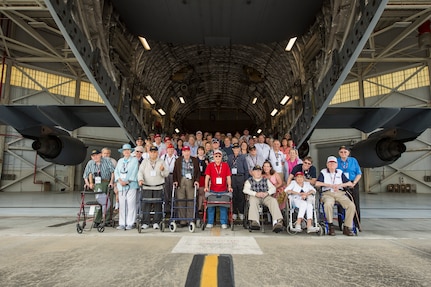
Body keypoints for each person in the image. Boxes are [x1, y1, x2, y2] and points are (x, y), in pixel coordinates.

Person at [315, 156, 355, 236]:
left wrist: (340, 184)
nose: (332, 164)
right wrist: (329, 185)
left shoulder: (339, 172)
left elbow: (350, 183)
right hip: (328, 193)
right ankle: (330, 225)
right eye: (330, 163)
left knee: (351, 205)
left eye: (334, 163)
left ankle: (347, 227)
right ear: (327, 164)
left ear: (336, 164)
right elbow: (317, 183)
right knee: (328, 204)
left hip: (339, 193)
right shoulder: (323, 172)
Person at [243, 165, 284, 233]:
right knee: (252, 200)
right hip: (255, 197)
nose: (258, 172)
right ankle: (255, 221)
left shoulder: (266, 180)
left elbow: (273, 188)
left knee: (273, 200)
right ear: (253, 172)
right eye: (256, 171)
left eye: (259, 171)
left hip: (265, 197)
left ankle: (276, 222)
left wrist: (267, 193)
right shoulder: (249, 181)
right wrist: (255, 194)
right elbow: (245, 190)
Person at [138, 146, 169, 229]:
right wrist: (140, 180)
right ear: (149, 153)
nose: (153, 153)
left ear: (157, 153)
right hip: (147, 186)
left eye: (155, 152)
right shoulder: (145, 161)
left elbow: (166, 174)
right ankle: (145, 222)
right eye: (151, 152)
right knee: (146, 204)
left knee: (157, 204)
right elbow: (140, 172)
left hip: (158, 186)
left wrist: (162, 170)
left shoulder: (161, 161)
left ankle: (156, 222)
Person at [83, 149, 115, 226]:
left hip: (106, 182)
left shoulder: (107, 160)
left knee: (108, 201)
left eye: (97, 155)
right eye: (93, 156)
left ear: (100, 155)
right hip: (97, 183)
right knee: (99, 202)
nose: (95, 157)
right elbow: (85, 175)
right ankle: (97, 220)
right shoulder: (90, 163)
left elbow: (112, 172)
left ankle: (107, 220)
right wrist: (88, 183)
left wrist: (111, 182)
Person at [204, 149, 233, 229]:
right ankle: (210, 222)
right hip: (213, 189)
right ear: (213, 157)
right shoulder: (210, 165)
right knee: (210, 206)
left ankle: (223, 222)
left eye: (219, 156)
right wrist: (206, 187)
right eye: (216, 156)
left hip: (223, 189)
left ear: (221, 157)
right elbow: (207, 177)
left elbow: (228, 177)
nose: (217, 157)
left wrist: (229, 186)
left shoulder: (225, 165)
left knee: (223, 206)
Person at [114, 144, 140, 230]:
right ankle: (122, 223)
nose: (126, 152)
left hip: (131, 185)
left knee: (131, 204)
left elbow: (134, 171)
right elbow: (116, 172)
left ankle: (130, 222)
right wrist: (119, 180)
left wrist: (127, 181)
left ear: (131, 151)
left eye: (128, 150)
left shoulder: (134, 160)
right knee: (122, 204)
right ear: (122, 152)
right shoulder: (120, 161)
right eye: (125, 150)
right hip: (121, 186)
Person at [173, 146, 200, 226]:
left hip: (191, 181)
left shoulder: (194, 160)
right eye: (185, 151)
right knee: (181, 200)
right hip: (181, 180)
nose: (187, 153)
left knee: (190, 200)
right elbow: (175, 172)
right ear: (183, 152)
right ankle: (182, 220)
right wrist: (175, 181)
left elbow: (198, 172)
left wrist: (196, 181)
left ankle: (190, 219)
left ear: (190, 152)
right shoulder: (178, 160)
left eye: (188, 151)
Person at [337, 145, 362, 226]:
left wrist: (354, 183)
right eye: (341, 152)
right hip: (341, 183)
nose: (343, 153)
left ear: (348, 153)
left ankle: (357, 223)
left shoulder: (353, 160)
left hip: (352, 183)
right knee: (340, 203)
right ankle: (341, 223)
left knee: (355, 203)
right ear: (339, 153)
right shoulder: (336, 161)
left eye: (345, 152)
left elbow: (359, 173)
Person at [227, 142, 249, 220]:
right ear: (232, 149)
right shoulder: (230, 157)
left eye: (237, 148)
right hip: (233, 177)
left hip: (241, 177)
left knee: (241, 195)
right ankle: (234, 212)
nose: (236, 150)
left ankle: (241, 211)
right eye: (234, 148)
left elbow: (246, 169)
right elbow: (228, 168)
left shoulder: (242, 157)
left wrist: (246, 180)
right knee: (234, 195)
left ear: (239, 149)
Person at [161, 143, 178, 215]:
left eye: (172, 149)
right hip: (165, 175)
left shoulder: (176, 158)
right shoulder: (163, 157)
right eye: (169, 149)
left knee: (173, 192)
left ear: (173, 150)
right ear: (166, 150)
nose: (170, 151)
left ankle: (173, 209)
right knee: (165, 192)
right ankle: (165, 209)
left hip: (173, 175)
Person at [196, 146, 208, 214]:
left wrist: (207, 164)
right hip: (198, 177)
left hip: (204, 177)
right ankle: (200, 207)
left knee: (204, 193)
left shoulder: (206, 159)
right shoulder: (195, 159)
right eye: (199, 150)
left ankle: (204, 207)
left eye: (202, 150)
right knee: (200, 193)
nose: (201, 152)